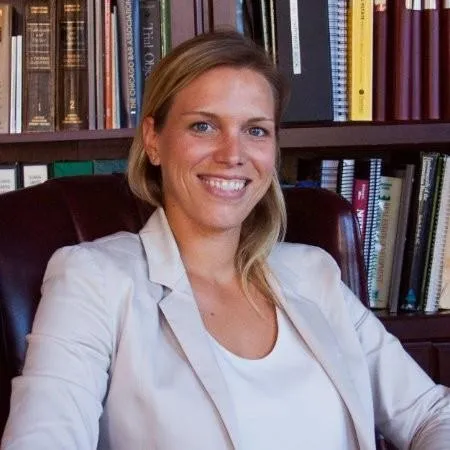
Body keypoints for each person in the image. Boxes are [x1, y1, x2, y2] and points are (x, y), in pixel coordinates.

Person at [2, 31, 450, 450]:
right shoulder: (94, 279)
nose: (232, 154)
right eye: (203, 126)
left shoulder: (314, 274)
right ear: (154, 140)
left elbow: (432, 415)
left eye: (255, 130)